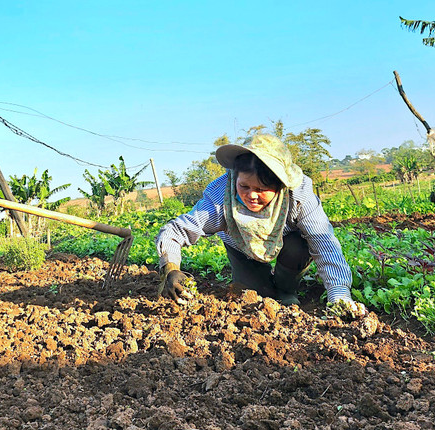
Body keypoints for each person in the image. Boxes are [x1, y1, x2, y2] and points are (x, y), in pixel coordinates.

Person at [156, 134, 365, 315]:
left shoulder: (298, 196)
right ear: (234, 177)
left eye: (262, 189)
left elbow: (324, 243)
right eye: (244, 186)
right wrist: (171, 268)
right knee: (254, 296)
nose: (251, 196)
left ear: (279, 186)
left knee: (298, 248)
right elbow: (175, 230)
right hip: (240, 247)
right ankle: (265, 286)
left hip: (289, 245)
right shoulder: (221, 198)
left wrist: (340, 295)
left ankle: (287, 290)